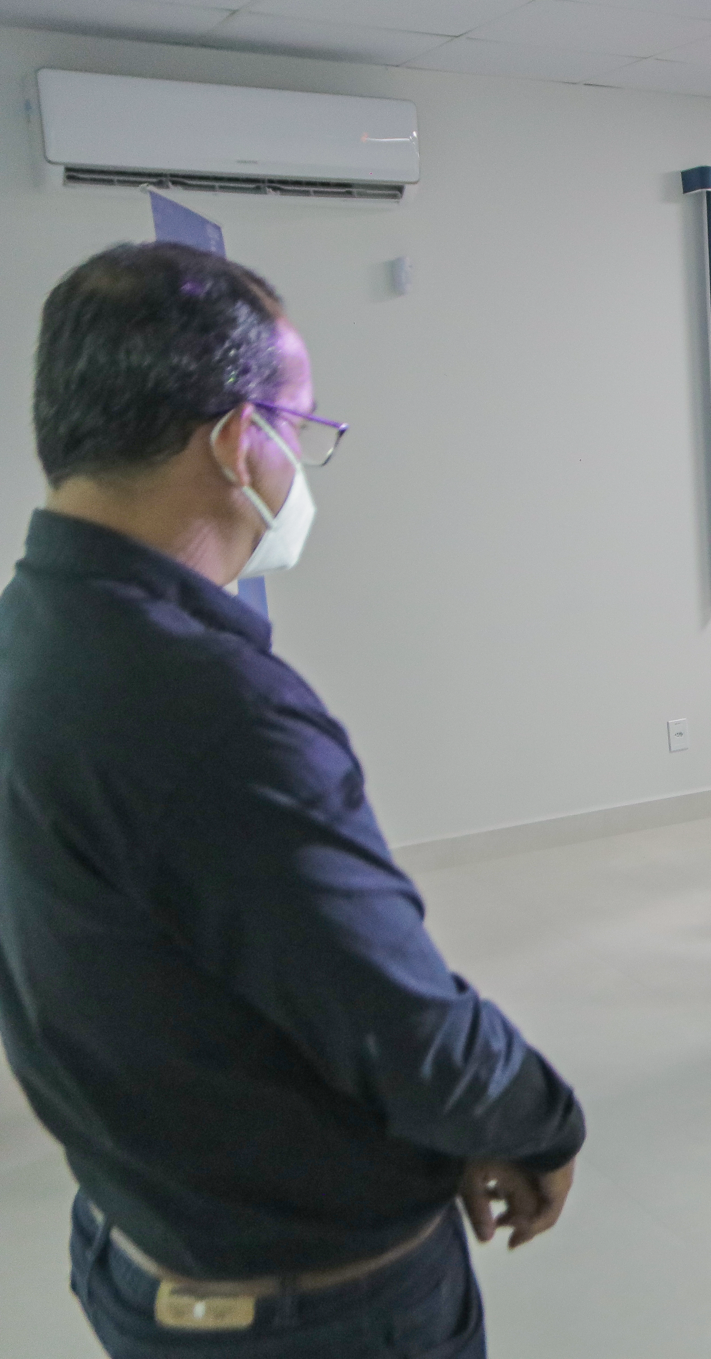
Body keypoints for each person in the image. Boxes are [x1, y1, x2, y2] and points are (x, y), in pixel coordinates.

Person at [0, 243, 584, 1359]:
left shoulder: (31, 635)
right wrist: (541, 1119)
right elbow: (403, 1023)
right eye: (297, 427)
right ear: (236, 442)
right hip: (307, 1312)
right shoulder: (209, 707)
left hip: (140, 1237)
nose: (299, 463)